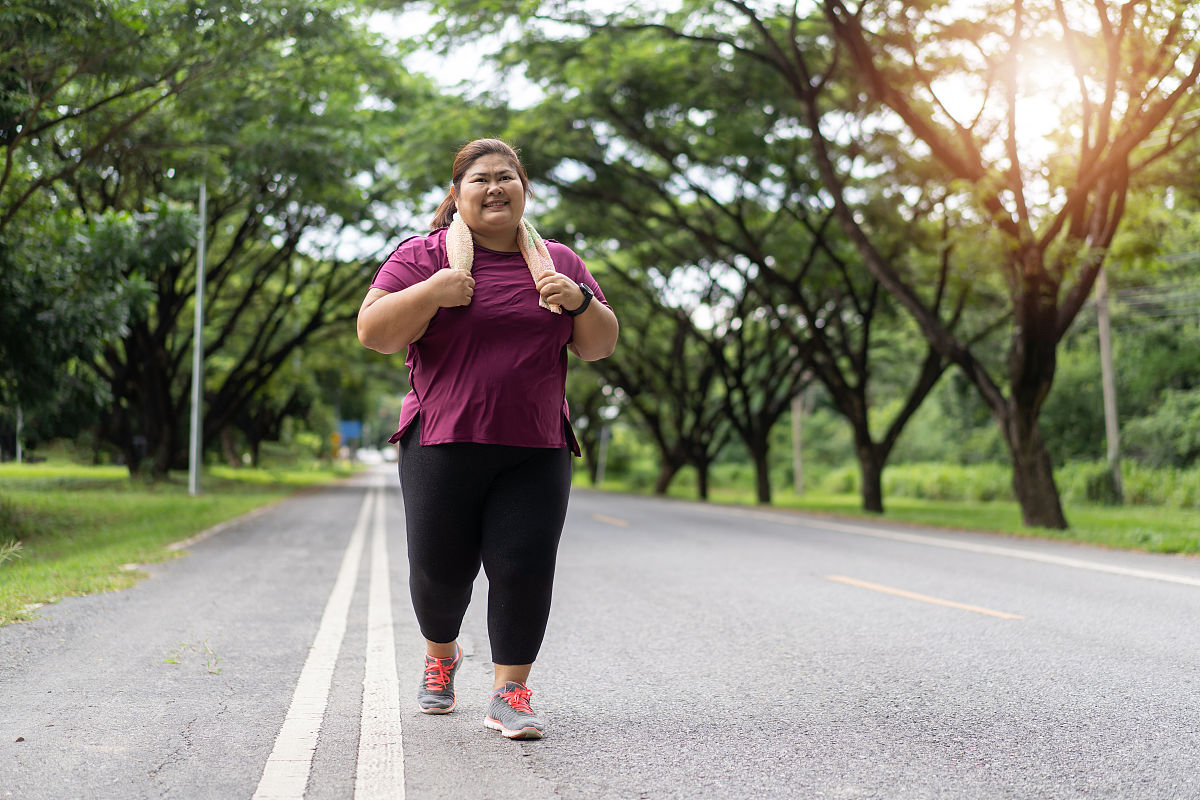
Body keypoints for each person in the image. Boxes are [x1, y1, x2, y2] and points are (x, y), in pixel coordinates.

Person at [356, 138, 619, 740]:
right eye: (480, 179)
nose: (495, 186)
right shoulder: (422, 257)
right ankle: (441, 655)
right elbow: (372, 331)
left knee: (524, 568)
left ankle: (510, 690)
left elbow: (600, 343)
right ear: (457, 196)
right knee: (440, 575)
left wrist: (578, 301)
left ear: (525, 190)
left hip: (536, 447)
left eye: (507, 176)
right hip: (442, 443)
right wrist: (433, 292)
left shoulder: (558, 262)